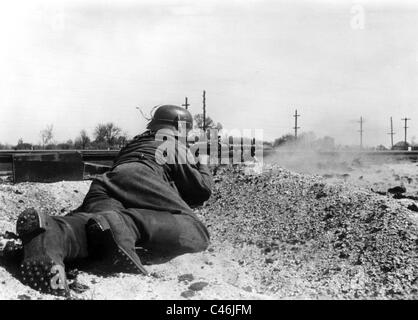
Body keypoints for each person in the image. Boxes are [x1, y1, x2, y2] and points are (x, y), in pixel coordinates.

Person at [16, 105, 213, 296]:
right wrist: (203, 162)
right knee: (197, 233)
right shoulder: (173, 143)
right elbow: (201, 191)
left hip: (106, 184)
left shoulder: (133, 144)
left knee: (94, 226)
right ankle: (126, 226)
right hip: (143, 179)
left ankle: (53, 233)